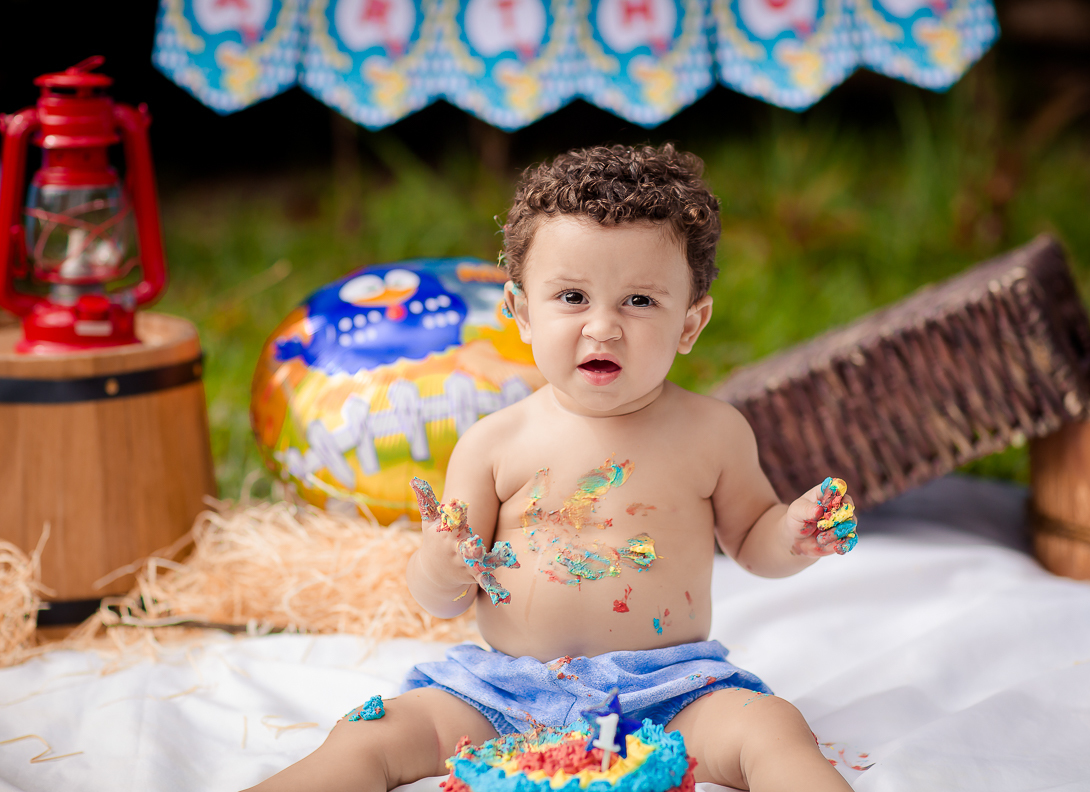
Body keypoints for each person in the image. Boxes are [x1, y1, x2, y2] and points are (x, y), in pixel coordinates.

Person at [247, 144, 856, 792]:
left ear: (690, 322)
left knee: (771, 726)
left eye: (639, 301)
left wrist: (793, 534)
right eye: (572, 297)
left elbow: (753, 540)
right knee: (371, 733)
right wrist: (444, 564)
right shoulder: (493, 445)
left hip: (668, 694)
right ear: (520, 312)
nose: (603, 327)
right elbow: (439, 598)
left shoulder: (714, 433)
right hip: (504, 696)